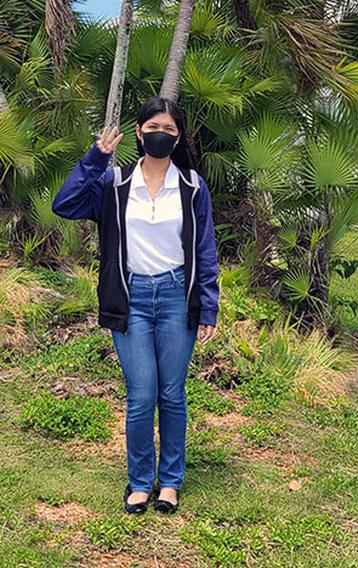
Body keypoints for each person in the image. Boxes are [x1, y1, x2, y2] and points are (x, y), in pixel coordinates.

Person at [52, 97, 219, 514]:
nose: (160, 133)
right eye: (152, 126)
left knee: (172, 394)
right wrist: (95, 157)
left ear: (178, 137)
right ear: (140, 131)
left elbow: (205, 249)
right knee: (142, 394)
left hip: (177, 297)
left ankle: (171, 482)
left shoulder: (193, 185)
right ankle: (141, 482)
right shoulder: (114, 183)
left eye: (169, 128)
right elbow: (65, 204)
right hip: (131, 298)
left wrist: (209, 306)